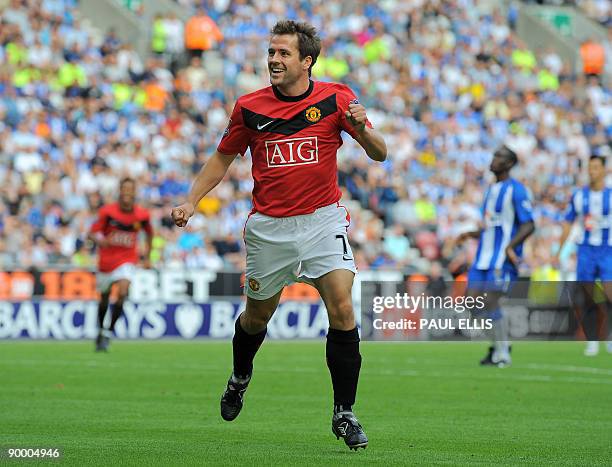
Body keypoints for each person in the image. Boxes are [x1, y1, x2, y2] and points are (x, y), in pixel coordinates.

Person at [171, 20, 386, 450]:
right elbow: (222, 159)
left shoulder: (336, 98)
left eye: (283, 53)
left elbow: (380, 153)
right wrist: (192, 199)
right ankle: (240, 377)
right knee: (256, 318)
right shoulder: (249, 107)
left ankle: (344, 413)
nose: (274, 59)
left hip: (323, 220)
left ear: (307, 61)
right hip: (270, 229)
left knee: (343, 307)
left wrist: (361, 127)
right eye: (271, 52)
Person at [456, 146, 535, 367]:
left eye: (498, 156)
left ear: (509, 163)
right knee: (472, 303)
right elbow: (491, 226)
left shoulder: (517, 190)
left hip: (501, 259)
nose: (493, 159)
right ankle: (500, 345)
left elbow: (529, 224)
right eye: (494, 154)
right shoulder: (491, 190)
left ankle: (502, 353)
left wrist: (511, 247)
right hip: (483, 257)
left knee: (491, 301)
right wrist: (469, 234)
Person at [555, 155, 612, 356]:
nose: (592, 171)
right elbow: (568, 223)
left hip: (607, 250)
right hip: (586, 250)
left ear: (604, 170)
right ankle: (593, 340)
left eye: (596, 167)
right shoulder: (579, 196)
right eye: (590, 167)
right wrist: (559, 251)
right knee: (587, 297)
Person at [89, 177, 153, 352]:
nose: (127, 192)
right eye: (124, 188)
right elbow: (93, 233)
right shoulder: (107, 212)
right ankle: (100, 330)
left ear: (134, 192)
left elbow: (149, 234)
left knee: (123, 291)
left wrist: (147, 257)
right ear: (120, 190)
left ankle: (109, 332)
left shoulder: (142, 215)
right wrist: (100, 241)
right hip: (106, 261)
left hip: (127, 259)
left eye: (130, 189)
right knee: (103, 298)